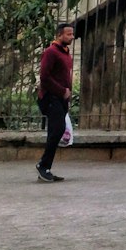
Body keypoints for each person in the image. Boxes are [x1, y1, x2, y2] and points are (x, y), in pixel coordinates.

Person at [36, 21, 74, 182]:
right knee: (57, 130)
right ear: (59, 35)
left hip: (61, 99)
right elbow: (45, 77)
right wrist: (61, 90)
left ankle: (46, 168)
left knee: (56, 132)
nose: (71, 37)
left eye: (72, 34)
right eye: (68, 34)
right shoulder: (51, 52)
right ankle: (43, 166)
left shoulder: (65, 53)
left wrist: (67, 93)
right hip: (51, 97)